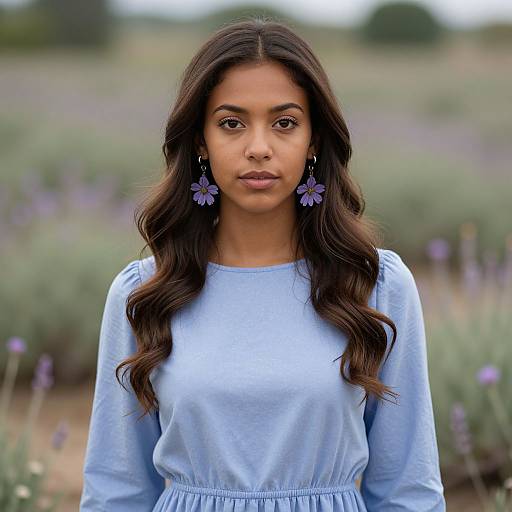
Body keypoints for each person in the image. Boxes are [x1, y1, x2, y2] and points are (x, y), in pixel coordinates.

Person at [79, 17, 446, 512]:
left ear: (314, 140)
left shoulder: (376, 287)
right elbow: (116, 491)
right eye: (232, 123)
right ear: (201, 142)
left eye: (285, 122)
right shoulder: (144, 295)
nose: (258, 147)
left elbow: (408, 489)